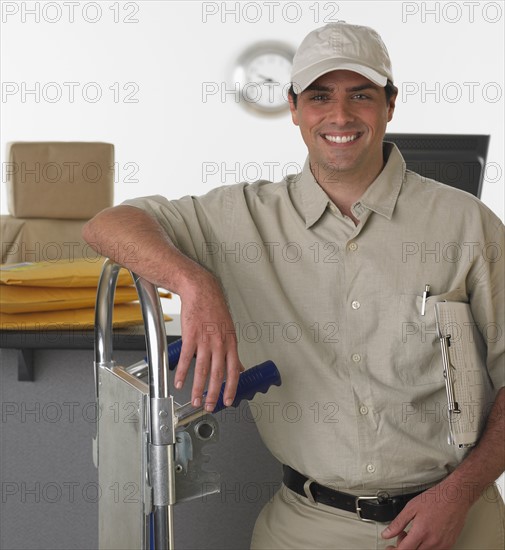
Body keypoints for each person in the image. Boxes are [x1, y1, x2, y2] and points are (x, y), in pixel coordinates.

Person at [83, 21, 505, 550]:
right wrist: (195, 283)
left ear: (391, 105)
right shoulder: (240, 218)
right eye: (320, 96)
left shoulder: (468, 225)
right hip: (307, 529)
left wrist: (461, 493)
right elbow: (106, 225)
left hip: (455, 523)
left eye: (362, 96)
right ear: (294, 108)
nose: (341, 115)